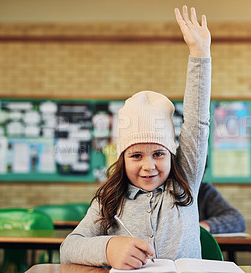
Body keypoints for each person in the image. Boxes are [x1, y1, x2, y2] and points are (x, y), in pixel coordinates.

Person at [60, 5, 211, 270]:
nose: (149, 165)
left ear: (172, 155)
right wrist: (108, 248)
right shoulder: (109, 200)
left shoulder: (184, 181)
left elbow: (197, 121)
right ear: (122, 158)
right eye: (136, 155)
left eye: (159, 153)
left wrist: (199, 54)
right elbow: (69, 248)